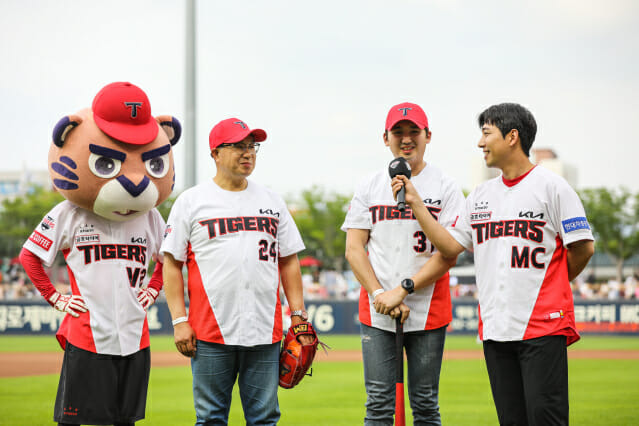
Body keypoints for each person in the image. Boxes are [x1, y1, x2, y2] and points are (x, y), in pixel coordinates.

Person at [377, 103, 595, 425]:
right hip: (496, 328)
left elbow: (583, 248)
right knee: (511, 419)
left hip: (543, 324)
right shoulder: (480, 195)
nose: (480, 143)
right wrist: (416, 203)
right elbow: (451, 246)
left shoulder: (552, 187)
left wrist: (550, 285)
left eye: (486, 133)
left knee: (545, 418)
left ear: (512, 137)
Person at [19, 81, 181, 425]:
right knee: (72, 420)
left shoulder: (151, 216)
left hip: (135, 334)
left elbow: (168, 259)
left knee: (126, 420)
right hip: (87, 332)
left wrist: (153, 289)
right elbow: (30, 256)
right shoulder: (69, 213)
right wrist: (56, 298)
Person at [160, 117, 311, 425]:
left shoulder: (272, 200)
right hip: (209, 332)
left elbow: (288, 261)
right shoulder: (192, 201)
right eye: (238, 146)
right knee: (212, 418)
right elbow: (171, 264)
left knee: (265, 418)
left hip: (264, 332)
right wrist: (179, 320)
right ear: (215, 153)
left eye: (252, 146)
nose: (248, 153)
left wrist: (298, 313)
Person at [342, 102, 465, 424]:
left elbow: (449, 252)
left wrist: (404, 290)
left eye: (415, 132)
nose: (406, 138)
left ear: (428, 136)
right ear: (386, 138)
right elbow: (354, 249)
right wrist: (381, 292)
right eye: (399, 132)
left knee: (425, 405)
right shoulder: (370, 185)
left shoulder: (446, 186)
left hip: (428, 308)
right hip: (378, 306)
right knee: (379, 405)